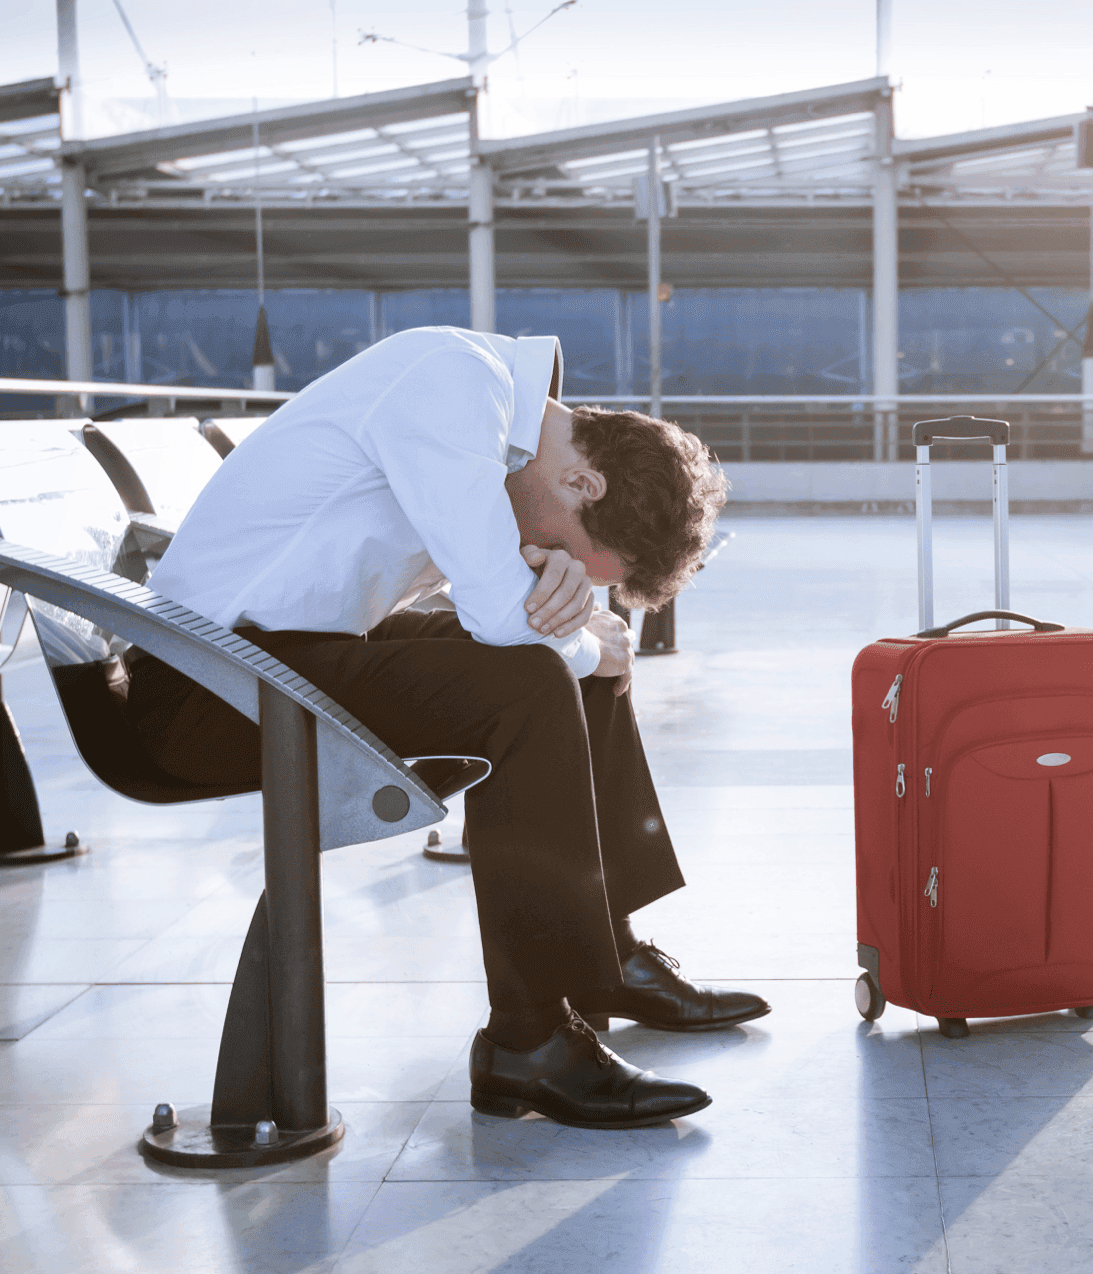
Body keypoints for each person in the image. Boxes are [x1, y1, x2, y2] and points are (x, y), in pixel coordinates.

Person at [123, 325, 765, 1131]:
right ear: (582, 483)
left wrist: (585, 637)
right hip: (201, 686)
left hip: (280, 655)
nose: (540, 553)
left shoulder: (497, 421)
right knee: (536, 673)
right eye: (561, 547)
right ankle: (528, 1040)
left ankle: (609, 952)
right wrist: (582, 638)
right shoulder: (455, 385)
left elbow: (498, 610)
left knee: (571, 659)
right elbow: (502, 615)